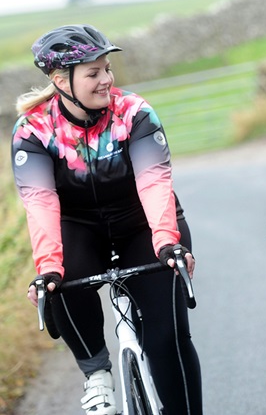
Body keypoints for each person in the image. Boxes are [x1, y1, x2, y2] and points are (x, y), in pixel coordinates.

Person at [12, 24, 203, 415]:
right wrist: (48, 267)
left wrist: (167, 242)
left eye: (107, 69)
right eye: (93, 73)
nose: (106, 80)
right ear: (59, 80)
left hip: (143, 226)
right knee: (57, 278)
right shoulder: (33, 130)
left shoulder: (134, 113)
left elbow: (154, 184)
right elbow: (41, 203)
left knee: (168, 341)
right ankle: (95, 371)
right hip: (79, 228)